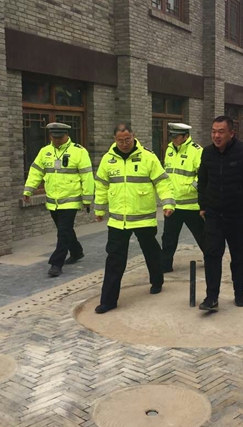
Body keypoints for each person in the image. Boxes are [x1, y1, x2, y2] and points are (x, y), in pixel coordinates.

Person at [93, 123, 175, 314]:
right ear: (115, 139)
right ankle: (108, 300)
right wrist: (99, 209)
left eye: (127, 139)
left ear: (133, 136)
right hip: (118, 220)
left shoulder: (148, 157)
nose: (124, 143)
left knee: (151, 251)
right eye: (120, 140)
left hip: (143, 217)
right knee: (114, 259)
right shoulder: (108, 159)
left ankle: (157, 280)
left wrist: (168, 203)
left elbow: (163, 182)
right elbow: (102, 185)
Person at [197, 116, 243, 312]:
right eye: (213, 131)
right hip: (213, 214)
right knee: (211, 255)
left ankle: (239, 292)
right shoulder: (207, 153)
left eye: (221, 132)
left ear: (231, 133)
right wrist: (203, 205)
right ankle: (211, 297)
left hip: (237, 214)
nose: (216, 136)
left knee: (238, 255)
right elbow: (202, 180)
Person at [23, 122, 95, 277]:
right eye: (53, 137)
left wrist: (87, 198)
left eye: (59, 137)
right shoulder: (45, 152)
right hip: (53, 201)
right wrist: (28, 190)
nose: (56, 140)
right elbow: (36, 172)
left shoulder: (79, 151)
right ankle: (76, 251)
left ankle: (56, 264)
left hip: (70, 201)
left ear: (67, 135)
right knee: (65, 231)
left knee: (63, 233)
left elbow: (87, 176)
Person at [161, 123, 205, 273]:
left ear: (186, 136)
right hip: (173, 205)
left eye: (176, 136)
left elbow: (204, 175)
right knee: (168, 238)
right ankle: (165, 266)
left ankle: (211, 259)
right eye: (171, 136)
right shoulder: (169, 149)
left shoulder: (196, 151)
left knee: (202, 236)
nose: (173, 139)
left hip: (191, 205)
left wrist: (191, 187)